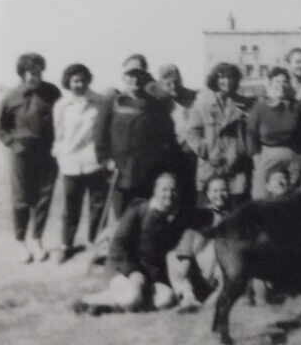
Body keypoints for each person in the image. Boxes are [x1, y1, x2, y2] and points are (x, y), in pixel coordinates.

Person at [84, 172, 188, 312]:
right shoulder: (138, 209)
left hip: (149, 276)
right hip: (123, 269)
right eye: (164, 189)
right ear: (155, 191)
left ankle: (120, 302)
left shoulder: (171, 219)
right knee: (132, 298)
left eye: (173, 190)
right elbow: (119, 246)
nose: (169, 194)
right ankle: (91, 302)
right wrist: (134, 272)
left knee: (166, 299)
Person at [94, 59, 179, 219]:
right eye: (130, 75)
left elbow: (167, 136)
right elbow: (100, 135)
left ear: (145, 77)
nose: (135, 80)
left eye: (139, 75)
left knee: (145, 215)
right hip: (119, 171)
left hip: (147, 171)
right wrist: (105, 161)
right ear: (123, 77)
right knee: (122, 217)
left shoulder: (155, 105)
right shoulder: (113, 101)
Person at [0, 52, 61, 263]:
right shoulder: (10, 97)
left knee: (44, 198)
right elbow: (2, 129)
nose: (35, 76)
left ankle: (37, 238)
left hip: (47, 152)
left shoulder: (52, 93)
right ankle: (20, 241)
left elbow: (62, 120)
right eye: (30, 73)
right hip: (21, 153)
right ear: (22, 74)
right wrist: (13, 145)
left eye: (38, 72)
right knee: (22, 199)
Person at [52, 62, 108, 261]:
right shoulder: (61, 106)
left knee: (97, 206)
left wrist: (104, 158)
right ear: (68, 82)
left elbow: (103, 133)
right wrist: (61, 157)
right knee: (70, 207)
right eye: (75, 81)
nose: (79, 84)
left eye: (83, 80)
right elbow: (58, 135)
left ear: (88, 81)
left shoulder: (100, 102)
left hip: (94, 162)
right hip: (70, 163)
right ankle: (66, 245)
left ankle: (95, 244)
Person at [188, 62, 254, 206]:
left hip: (236, 168)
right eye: (222, 77)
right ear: (215, 80)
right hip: (209, 167)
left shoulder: (245, 105)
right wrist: (206, 151)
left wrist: (239, 152)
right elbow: (193, 132)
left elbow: (250, 134)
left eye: (231, 77)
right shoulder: (202, 103)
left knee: (236, 212)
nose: (227, 81)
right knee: (208, 213)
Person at [246, 66, 301, 200]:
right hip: (266, 157)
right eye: (277, 81)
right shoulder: (259, 108)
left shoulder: (298, 108)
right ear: (270, 84)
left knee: (292, 198)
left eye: (285, 82)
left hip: (292, 158)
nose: (281, 86)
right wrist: (257, 160)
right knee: (261, 197)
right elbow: (251, 135)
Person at [167, 175, 232, 312]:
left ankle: (210, 302)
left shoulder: (234, 216)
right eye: (215, 191)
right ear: (207, 193)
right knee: (172, 256)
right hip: (198, 264)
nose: (219, 195)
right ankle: (188, 296)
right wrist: (185, 257)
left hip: (220, 267)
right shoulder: (201, 214)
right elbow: (189, 233)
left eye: (223, 190)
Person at [158, 63, 198, 204]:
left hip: (190, 153)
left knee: (190, 193)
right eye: (168, 84)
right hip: (169, 154)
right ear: (161, 84)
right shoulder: (159, 103)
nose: (173, 87)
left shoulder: (193, 98)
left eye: (176, 82)